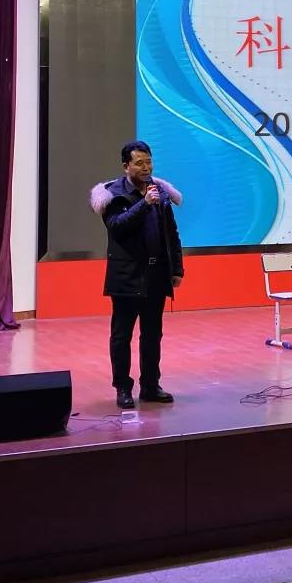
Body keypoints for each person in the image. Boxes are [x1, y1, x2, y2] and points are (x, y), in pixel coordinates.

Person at [90, 141, 184, 408]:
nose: (146, 168)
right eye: (139, 163)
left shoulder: (160, 192)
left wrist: (177, 268)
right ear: (126, 166)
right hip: (126, 276)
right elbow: (117, 227)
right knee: (122, 336)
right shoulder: (113, 195)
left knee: (153, 335)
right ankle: (122, 388)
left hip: (156, 275)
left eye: (149, 162)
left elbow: (171, 233)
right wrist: (144, 204)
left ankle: (151, 386)